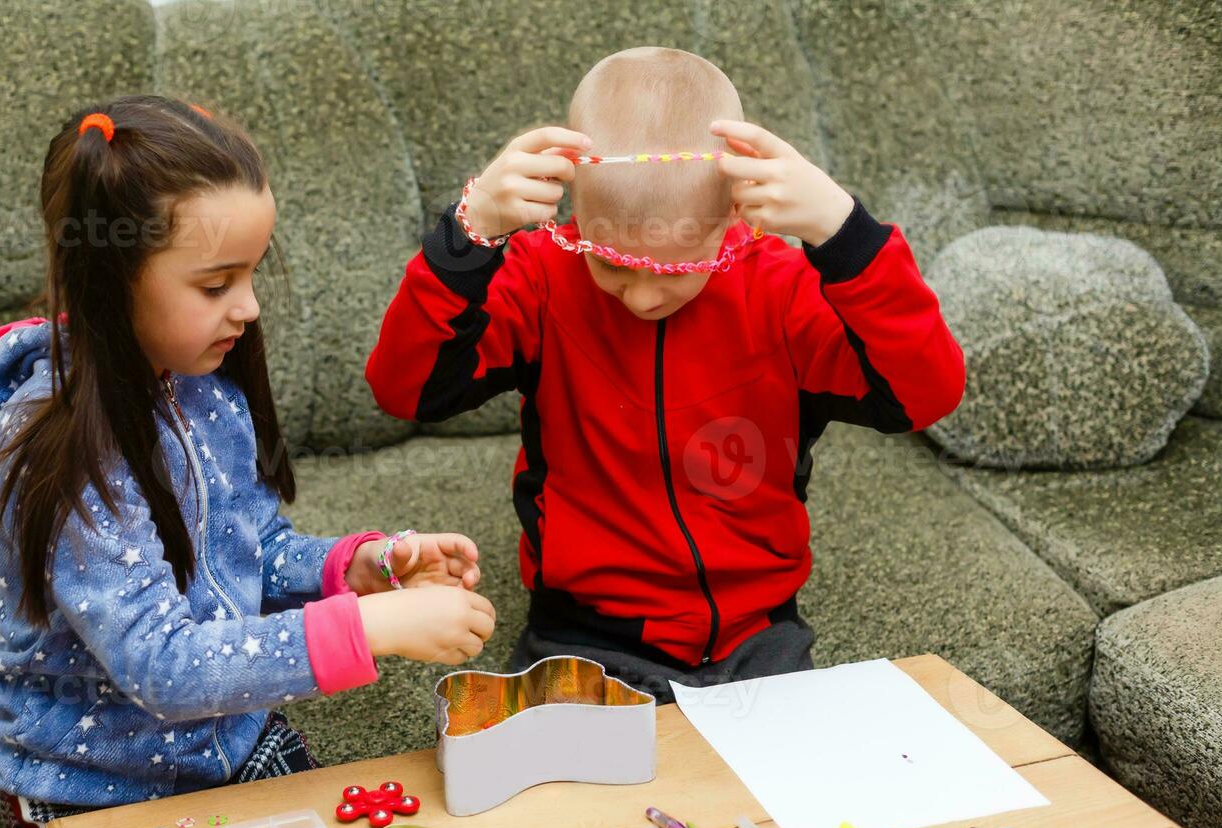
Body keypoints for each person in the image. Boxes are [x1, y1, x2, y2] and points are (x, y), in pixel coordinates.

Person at [0, 95, 495, 828]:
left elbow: (258, 549)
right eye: (217, 284)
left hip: (229, 738)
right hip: (85, 783)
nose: (248, 309)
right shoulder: (59, 448)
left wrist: (365, 568)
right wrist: (370, 627)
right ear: (111, 279)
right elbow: (162, 664)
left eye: (250, 275)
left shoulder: (207, 393)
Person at [367, 48, 964, 703]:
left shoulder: (782, 292)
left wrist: (846, 235)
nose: (642, 298)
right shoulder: (540, 279)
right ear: (574, 209)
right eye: (612, 265)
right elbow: (407, 388)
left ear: (737, 213)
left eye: (674, 269)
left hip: (756, 636)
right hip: (581, 635)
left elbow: (924, 393)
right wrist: (468, 235)